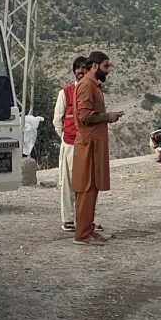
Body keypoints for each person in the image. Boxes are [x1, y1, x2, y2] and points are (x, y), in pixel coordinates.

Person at [71, 51, 122, 247]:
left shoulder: (93, 86)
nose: (107, 71)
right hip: (88, 147)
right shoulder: (86, 86)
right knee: (86, 189)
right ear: (95, 66)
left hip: (94, 146)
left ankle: (88, 229)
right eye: (106, 67)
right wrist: (107, 117)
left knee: (92, 189)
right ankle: (82, 234)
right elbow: (84, 116)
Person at [52, 57, 89, 232]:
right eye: (78, 68)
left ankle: (85, 219)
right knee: (68, 183)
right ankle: (68, 220)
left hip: (88, 145)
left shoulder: (92, 91)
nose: (81, 71)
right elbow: (56, 121)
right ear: (74, 70)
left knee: (87, 184)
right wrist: (65, 138)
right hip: (70, 144)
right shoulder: (65, 93)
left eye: (84, 68)